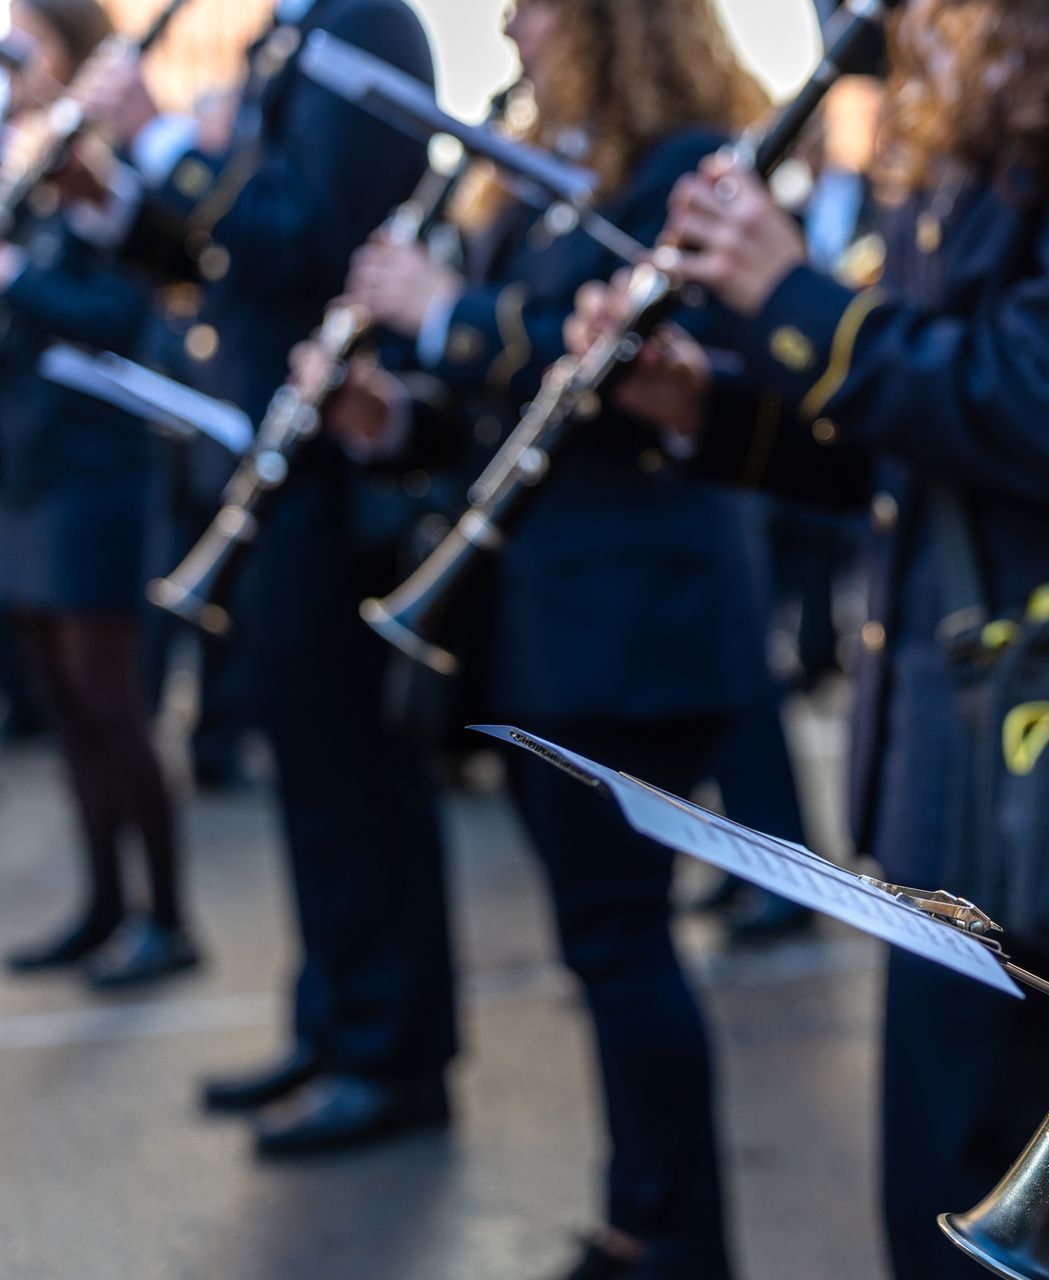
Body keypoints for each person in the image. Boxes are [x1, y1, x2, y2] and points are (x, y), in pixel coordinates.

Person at [567, 2, 1049, 1274]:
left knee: (973, 1179)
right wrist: (705, 405)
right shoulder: (966, 105)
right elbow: (908, 455)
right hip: (947, 724)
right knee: (943, 1177)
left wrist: (791, 294)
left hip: (1045, 716)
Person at [311, 2, 769, 1274]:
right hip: (554, 610)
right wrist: (390, 417)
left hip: (634, 614)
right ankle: (645, 1215)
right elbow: (501, 409)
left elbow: (628, 372)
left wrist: (443, 312)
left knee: (621, 938)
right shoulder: (550, 179)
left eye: (537, 4)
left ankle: (671, 1238)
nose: (511, 26)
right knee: (603, 937)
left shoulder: (682, 168)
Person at [71, 0, 455, 1156]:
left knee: (351, 764)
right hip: (273, 452)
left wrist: (159, 140)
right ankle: (332, 1017)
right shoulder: (296, 30)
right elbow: (225, 250)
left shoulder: (365, 23)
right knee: (307, 759)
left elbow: (309, 238)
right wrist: (122, 200)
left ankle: (387, 1048)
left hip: (335, 466)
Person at [0, 0, 199, 988]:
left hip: (95, 472)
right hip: (27, 468)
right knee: (65, 708)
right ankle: (104, 905)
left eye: (28, 41)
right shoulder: (23, 166)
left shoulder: (105, 164)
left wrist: (10, 279)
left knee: (111, 704)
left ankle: (167, 917)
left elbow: (119, 313)